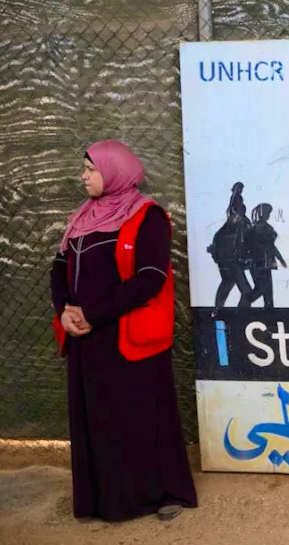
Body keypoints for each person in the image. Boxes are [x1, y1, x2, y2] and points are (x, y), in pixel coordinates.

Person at [49, 139, 197, 522]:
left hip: (129, 337)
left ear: (113, 171)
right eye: (84, 168)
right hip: (86, 338)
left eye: (90, 169)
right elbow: (58, 268)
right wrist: (65, 311)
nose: (83, 176)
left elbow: (150, 279)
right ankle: (104, 500)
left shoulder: (146, 217)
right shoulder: (81, 218)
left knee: (141, 415)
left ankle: (159, 494)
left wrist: (93, 314)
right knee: (96, 417)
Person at [239, 203, 286, 309]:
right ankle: (244, 304)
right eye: (267, 213)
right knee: (262, 288)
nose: (268, 215)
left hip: (265, 262)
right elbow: (270, 246)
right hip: (258, 262)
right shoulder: (257, 229)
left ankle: (269, 312)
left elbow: (271, 246)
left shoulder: (263, 228)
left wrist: (281, 259)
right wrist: (281, 259)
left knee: (268, 291)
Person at [209, 202, 253, 313]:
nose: (237, 217)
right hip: (231, 264)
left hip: (227, 263)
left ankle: (218, 311)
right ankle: (238, 313)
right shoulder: (232, 229)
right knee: (246, 291)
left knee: (226, 285)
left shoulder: (226, 230)